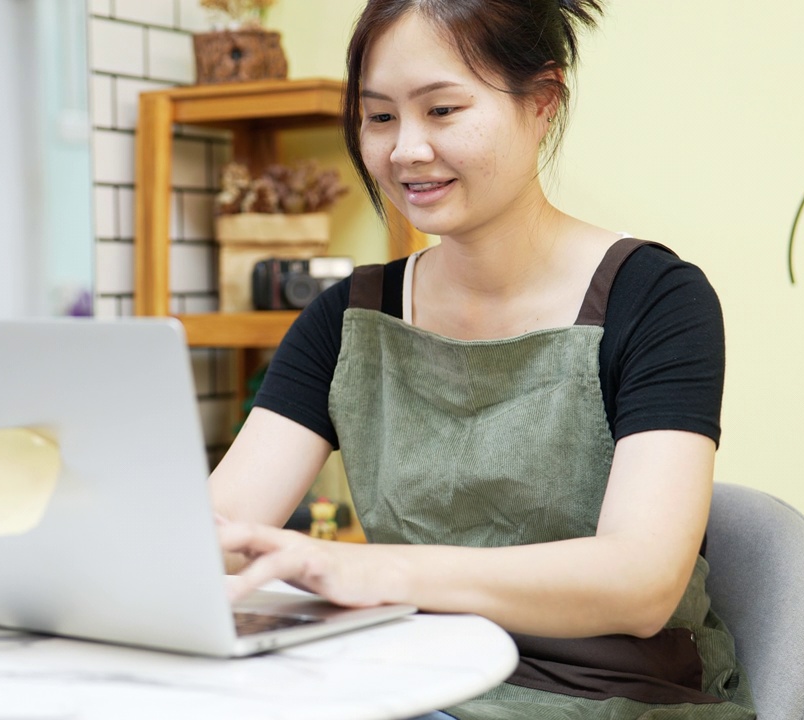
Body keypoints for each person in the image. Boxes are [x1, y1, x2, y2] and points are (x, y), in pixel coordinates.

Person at [209, 1, 756, 718]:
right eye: (379, 117)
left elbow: (641, 582)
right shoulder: (348, 318)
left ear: (543, 102)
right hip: (411, 679)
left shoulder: (655, 300)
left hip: (602, 696)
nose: (405, 149)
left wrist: (372, 568)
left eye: (441, 110)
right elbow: (220, 531)